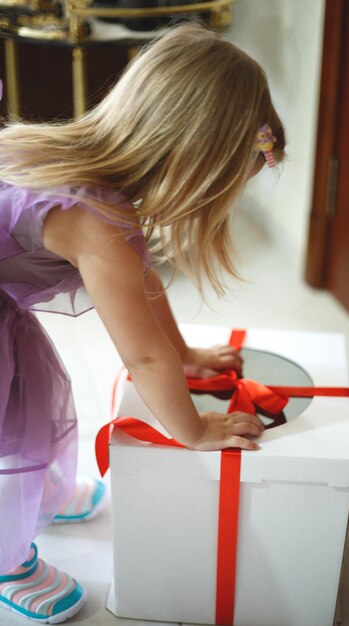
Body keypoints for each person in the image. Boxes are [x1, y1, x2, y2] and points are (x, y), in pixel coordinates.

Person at [0, 22, 286, 623]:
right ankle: (6, 558)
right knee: (7, 426)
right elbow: (142, 357)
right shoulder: (92, 220)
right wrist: (192, 429)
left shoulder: (84, 170)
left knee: (23, 397)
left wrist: (184, 354)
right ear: (192, 164)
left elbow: (146, 290)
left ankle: (36, 496)